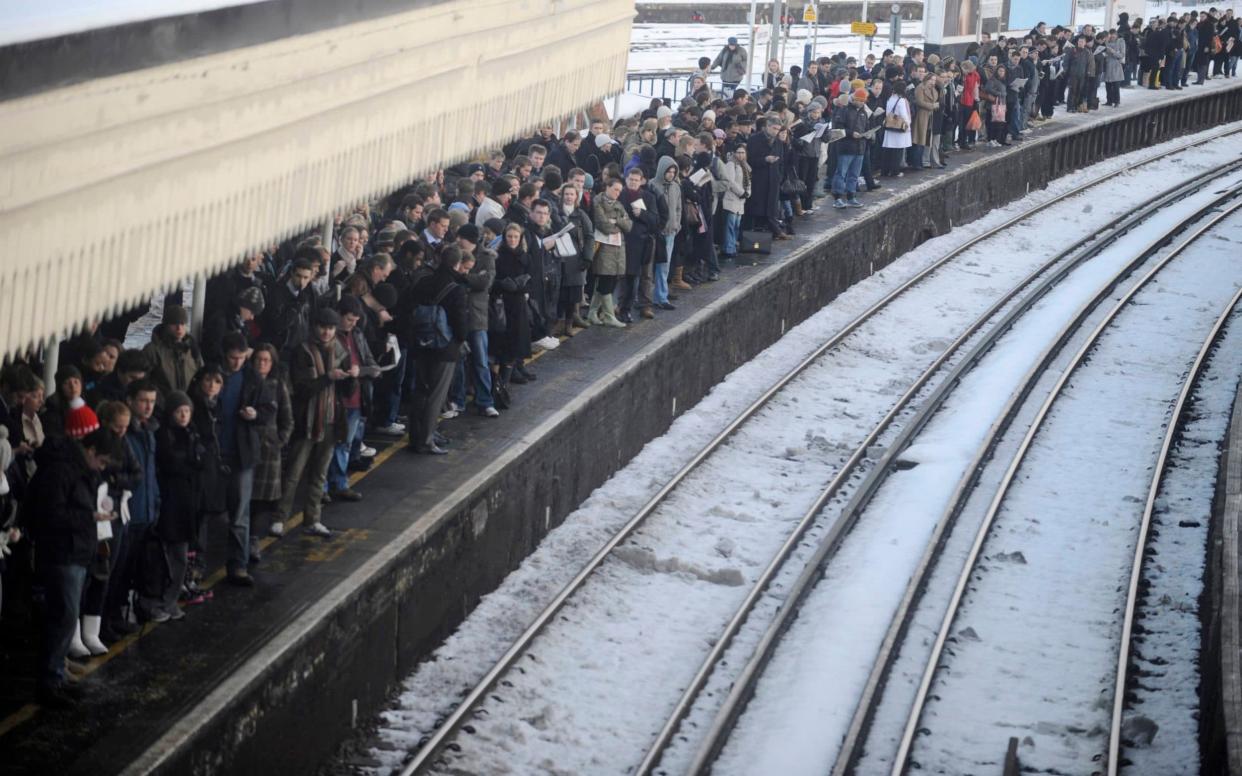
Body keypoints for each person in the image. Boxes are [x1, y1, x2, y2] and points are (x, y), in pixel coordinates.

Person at [28, 427, 122, 708]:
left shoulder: (80, 469)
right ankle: (50, 680)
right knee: (64, 615)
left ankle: (57, 673)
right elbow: (52, 513)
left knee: (67, 616)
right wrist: (89, 516)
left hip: (76, 550)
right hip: (62, 552)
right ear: (91, 451)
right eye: (102, 462)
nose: (102, 468)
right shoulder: (62, 470)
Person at [274, 307, 356, 538]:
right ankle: (279, 517)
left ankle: (313, 519)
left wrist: (352, 377)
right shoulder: (303, 352)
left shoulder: (341, 351)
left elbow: (347, 392)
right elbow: (301, 388)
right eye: (322, 327)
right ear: (314, 327)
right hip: (306, 420)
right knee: (293, 472)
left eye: (330, 328)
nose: (326, 332)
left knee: (319, 475)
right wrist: (328, 377)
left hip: (330, 418)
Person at [405, 246, 470, 455]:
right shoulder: (456, 289)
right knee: (437, 395)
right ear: (458, 264)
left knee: (420, 391)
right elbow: (460, 323)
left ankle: (415, 437)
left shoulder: (424, 282)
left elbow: (410, 307)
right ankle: (426, 440)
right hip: (445, 348)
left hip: (421, 344)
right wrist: (461, 339)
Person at [325, 295, 380, 500]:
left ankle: (339, 483)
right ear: (339, 315)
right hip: (334, 398)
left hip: (355, 398)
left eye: (355, 321)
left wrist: (361, 370)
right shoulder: (330, 336)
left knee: (344, 444)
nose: (352, 324)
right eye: (349, 319)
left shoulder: (357, 335)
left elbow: (373, 367)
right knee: (327, 445)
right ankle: (323, 487)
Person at [250, 345, 293, 543]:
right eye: (259, 359)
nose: (262, 363)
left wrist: (279, 441)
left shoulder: (278, 386)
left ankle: (255, 539)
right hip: (248, 446)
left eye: (266, 360)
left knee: (263, 502)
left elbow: (287, 419)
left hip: (269, 449)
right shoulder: (246, 383)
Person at [588, 179, 632, 328]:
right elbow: (604, 225)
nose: (617, 193)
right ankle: (608, 315)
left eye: (620, 191)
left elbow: (629, 225)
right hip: (604, 247)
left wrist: (616, 221)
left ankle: (592, 313)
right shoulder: (598, 202)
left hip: (618, 248)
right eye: (615, 189)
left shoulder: (619, 205)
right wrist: (617, 224)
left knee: (611, 280)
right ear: (607, 187)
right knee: (606, 280)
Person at [143, 305, 203, 401]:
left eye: (182, 324)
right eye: (174, 324)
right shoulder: (152, 350)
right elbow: (144, 382)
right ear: (166, 325)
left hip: (187, 407)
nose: (179, 328)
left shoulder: (192, 348)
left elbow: (201, 376)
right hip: (161, 407)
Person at [745, 116, 789, 238]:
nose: (776, 132)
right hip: (759, 179)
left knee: (771, 207)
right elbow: (750, 160)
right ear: (767, 126)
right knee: (758, 207)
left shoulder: (779, 142)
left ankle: (772, 231)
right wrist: (765, 160)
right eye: (774, 128)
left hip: (773, 180)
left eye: (778, 129)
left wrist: (779, 177)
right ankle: (758, 234)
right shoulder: (754, 140)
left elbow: (781, 162)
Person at [833, 89, 871, 209]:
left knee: (854, 174)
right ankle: (837, 197)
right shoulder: (844, 110)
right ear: (854, 99)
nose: (861, 103)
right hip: (846, 147)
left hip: (860, 147)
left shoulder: (864, 112)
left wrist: (868, 134)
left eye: (863, 101)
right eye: (859, 100)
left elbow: (866, 127)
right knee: (841, 173)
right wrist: (851, 133)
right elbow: (837, 127)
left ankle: (851, 196)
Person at [881, 80, 912, 176]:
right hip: (898, 127)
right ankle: (895, 171)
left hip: (890, 126)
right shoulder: (901, 100)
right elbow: (904, 115)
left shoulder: (890, 99)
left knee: (888, 151)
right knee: (898, 151)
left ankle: (885, 171)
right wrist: (908, 124)